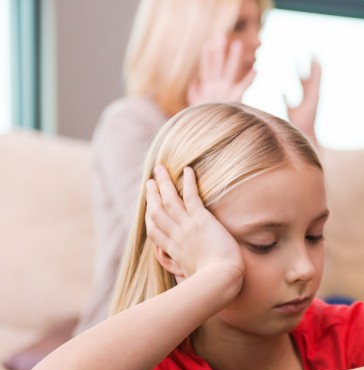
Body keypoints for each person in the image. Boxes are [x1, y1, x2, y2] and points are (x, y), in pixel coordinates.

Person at [15, 103, 364, 370]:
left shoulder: (340, 338)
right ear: (173, 248)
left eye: (315, 236)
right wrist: (215, 276)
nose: (303, 269)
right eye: (263, 244)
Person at [77, 0, 322, 334]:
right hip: (135, 330)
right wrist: (210, 124)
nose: (257, 39)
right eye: (240, 26)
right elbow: (166, 231)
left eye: (258, 25)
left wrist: (304, 137)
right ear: (190, 35)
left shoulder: (253, 129)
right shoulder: (129, 122)